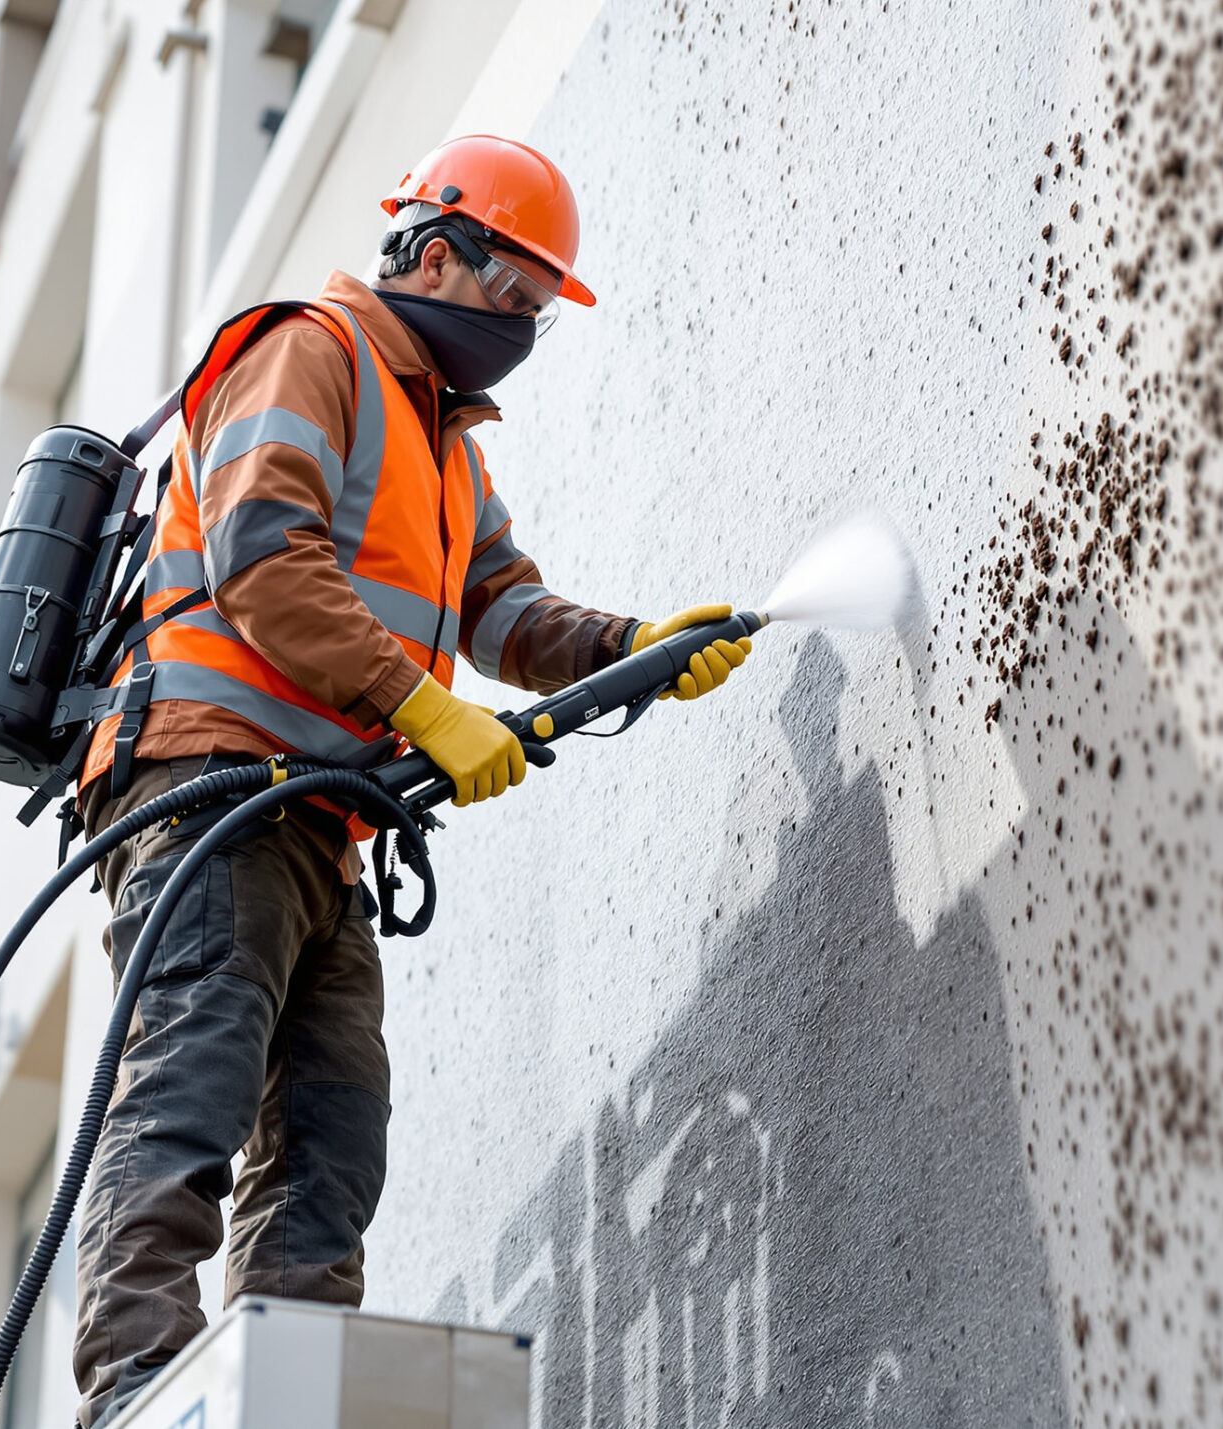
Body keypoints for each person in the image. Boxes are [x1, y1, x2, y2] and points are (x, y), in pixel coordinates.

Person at [62, 135, 753, 1426]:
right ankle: (136, 1394)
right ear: (438, 252)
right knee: (191, 1091)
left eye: (541, 314)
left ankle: (281, 1396)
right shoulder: (306, 350)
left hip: (315, 820)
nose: (524, 331)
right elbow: (267, 561)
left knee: (334, 1131)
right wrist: (424, 709)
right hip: (204, 789)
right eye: (514, 298)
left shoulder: (442, 437)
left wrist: (628, 650)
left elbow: (501, 604)